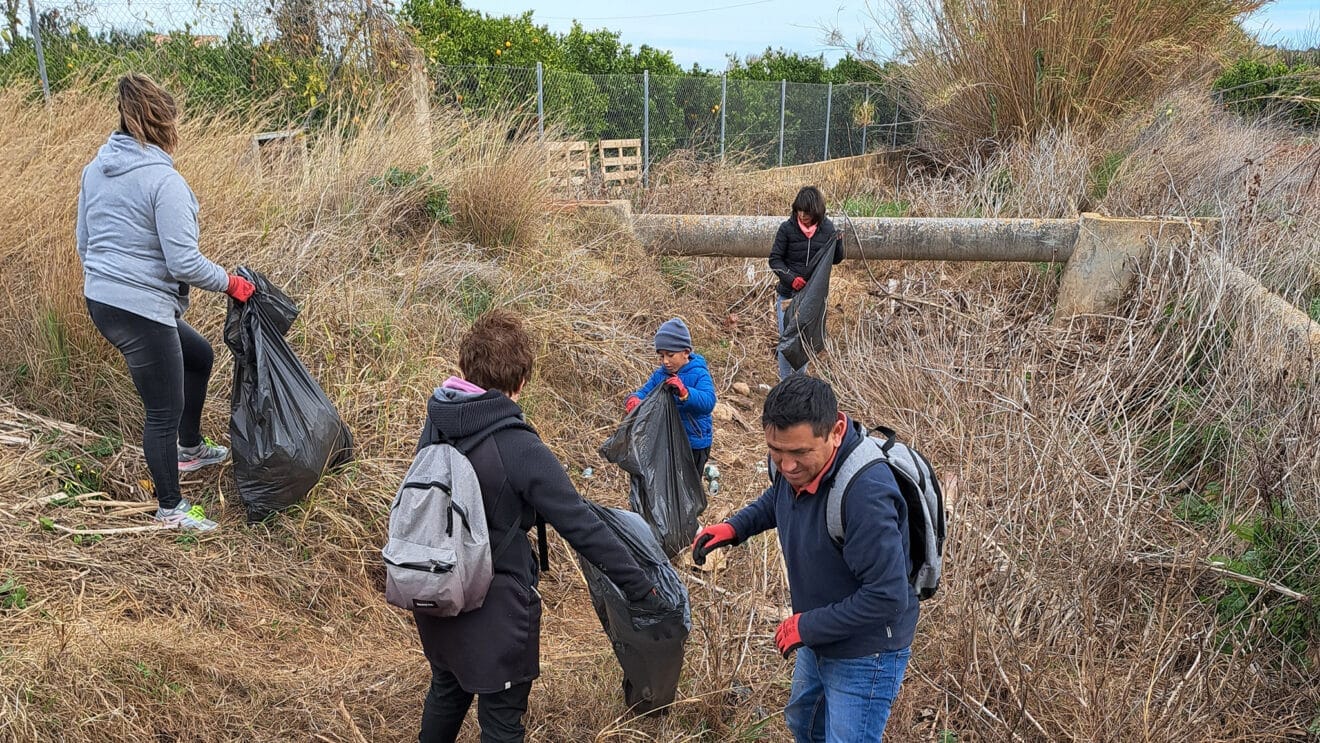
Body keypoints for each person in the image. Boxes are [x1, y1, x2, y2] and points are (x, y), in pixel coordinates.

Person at [414, 309, 663, 743]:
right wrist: (641, 586)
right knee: (502, 722)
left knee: (447, 689)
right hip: (495, 604)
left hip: (437, 591)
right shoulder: (518, 446)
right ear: (522, 382)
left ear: (463, 369)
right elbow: (582, 526)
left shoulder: (438, 421)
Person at [691, 375, 917, 742]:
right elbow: (778, 497)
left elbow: (888, 596)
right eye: (775, 451)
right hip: (819, 632)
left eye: (799, 453)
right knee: (804, 725)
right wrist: (735, 528)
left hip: (866, 651)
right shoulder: (790, 465)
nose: (787, 466)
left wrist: (805, 627)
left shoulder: (866, 495)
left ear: (836, 430)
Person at [75, 73, 255, 532]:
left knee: (199, 355)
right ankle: (171, 509)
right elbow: (184, 263)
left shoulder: (95, 170)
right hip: (139, 309)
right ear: (164, 124)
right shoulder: (164, 182)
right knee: (162, 411)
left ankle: (190, 449)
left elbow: (84, 242)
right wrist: (231, 282)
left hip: (102, 299)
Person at [768, 186, 844, 379]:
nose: (802, 215)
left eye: (807, 212)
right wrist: (791, 279)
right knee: (788, 341)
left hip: (812, 299)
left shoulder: (827, 229)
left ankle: (798, 380)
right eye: (799, 211)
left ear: (816, 211)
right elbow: (775, 260)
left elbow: (835, 259)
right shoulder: (787, 229)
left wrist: (839, 243)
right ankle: (787, 382)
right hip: (788, 296)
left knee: (805, 340)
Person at [624, 317, 717, 474]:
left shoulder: (699, 373)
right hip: (667, 442)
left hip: (694, 443)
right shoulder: (661, 375)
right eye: (661, 356)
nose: (665, 361)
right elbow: (645, 392)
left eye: (670, 355)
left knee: (689, 489)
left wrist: (686, 393)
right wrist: (633, 399)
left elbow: (708, 402)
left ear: (686, 352)